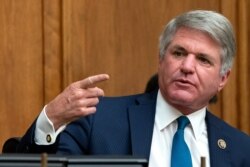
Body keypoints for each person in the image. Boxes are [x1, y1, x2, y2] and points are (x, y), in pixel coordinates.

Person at [17, 10, 250, 167]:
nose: (187, 66)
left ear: (223, 78)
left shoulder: (241, 149)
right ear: (161, 60)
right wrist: (51, 119)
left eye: (203, 60)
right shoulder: (97, 121)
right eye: (178, 53)